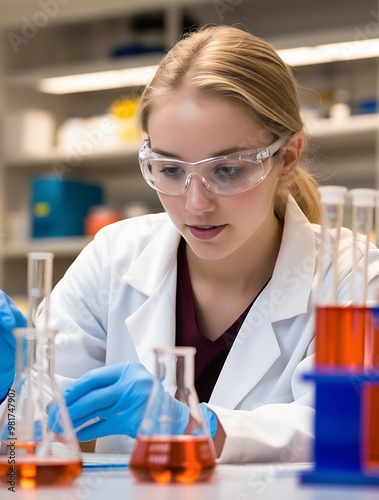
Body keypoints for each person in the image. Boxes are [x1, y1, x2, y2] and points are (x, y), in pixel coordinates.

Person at [3, 25, 379, 463]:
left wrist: (195, 428)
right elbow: (32, 428)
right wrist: (9, 389)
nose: (195, 204)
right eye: (170, 169)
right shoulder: (114, 256)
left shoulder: (352, 276)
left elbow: (348, 428)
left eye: (227, 170)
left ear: (288, 157)